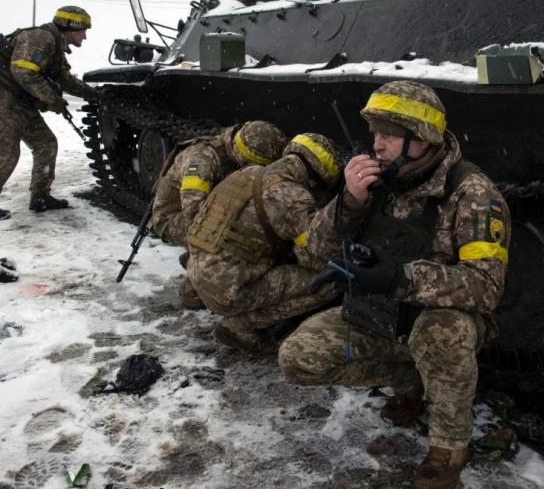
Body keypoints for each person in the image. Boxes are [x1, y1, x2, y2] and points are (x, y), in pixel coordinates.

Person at [278, 80, 511, 489]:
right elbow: (314, 252)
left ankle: (449, 448)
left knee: (442, 330)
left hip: (439, 323)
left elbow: (485, 287)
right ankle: (412, 382)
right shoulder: (379, 181)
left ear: (421, 140)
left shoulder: (472, 194)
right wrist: (348, 202)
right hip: (382, 317)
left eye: (388, 135)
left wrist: (400, 277)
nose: (377, 145)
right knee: (298, 358)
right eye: (374, 134)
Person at [185, 132, 344, 354]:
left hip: (198, 274)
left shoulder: (248, 172)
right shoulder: (292, 197)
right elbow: (314, 260)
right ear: (315, 178)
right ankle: (238, 327)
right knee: (327, 283)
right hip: (227, 289)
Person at [0, 6, 105, 221]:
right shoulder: (40, 38)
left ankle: (40, 197)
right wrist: (52, 99)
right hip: (3, 103)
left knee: (46, 144)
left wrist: (96, 95)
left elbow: (65, 79)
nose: (85, 36)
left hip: (21, 106)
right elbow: (22, 72)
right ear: (71, 28)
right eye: (83, 31)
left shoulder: (54, 46)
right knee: (6, 153)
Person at [148, 120, 287, 308]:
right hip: (173, 218)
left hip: (200, 211)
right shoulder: (202, 160)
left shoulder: (231, 149)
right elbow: (195, 215)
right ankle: (198, 279)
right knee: (233, 231)